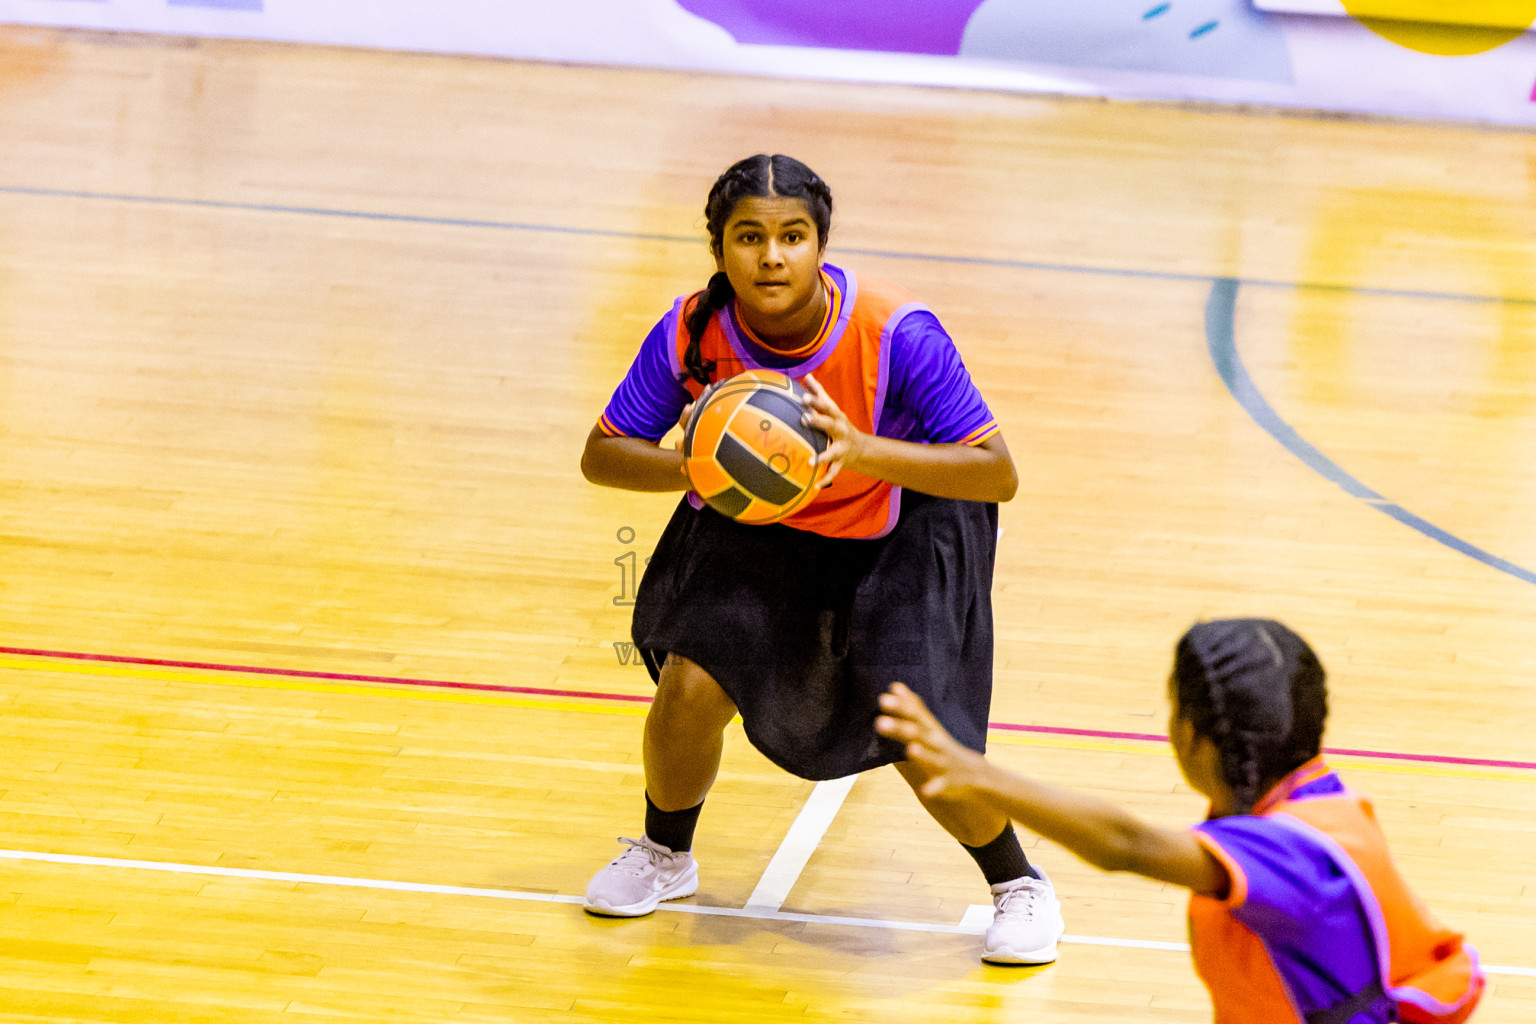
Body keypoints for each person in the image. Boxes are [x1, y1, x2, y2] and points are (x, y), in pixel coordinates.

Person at [579, 153, 1064, 964]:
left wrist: (862, 451)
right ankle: (666, 855)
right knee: (691, 684)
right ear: (719, 247)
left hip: (899, 522)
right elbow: (603, 454)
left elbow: (997, 472)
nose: (772, 256)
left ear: (820, 244)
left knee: (914, 730)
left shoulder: (895, 332)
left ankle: (1020, 886)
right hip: (763, 523)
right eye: (749, 237)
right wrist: (698, 462)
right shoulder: (693, 329)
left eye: (793, 236)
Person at [875, 618, 1486, 1023]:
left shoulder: (1294, 850)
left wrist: (978, 773)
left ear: (1192, 736)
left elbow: (1126, 845)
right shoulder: (1313, 802)